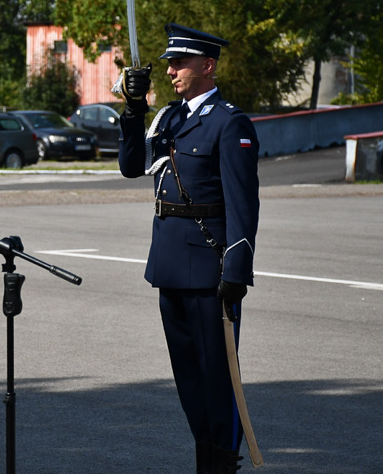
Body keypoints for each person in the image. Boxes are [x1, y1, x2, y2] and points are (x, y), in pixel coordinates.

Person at [117, 24, 260, 473]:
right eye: (170, 63)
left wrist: (236, 268)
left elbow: (243, 201)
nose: (172, 70)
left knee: (218, 378)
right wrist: (134, 109)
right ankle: (207, 458)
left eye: (180, 62)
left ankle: (221, 464)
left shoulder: (229, 121)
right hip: (169, 265)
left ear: (207, 66)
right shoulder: (170, 118)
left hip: (210, 269)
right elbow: (130, 166)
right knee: (188, 381)